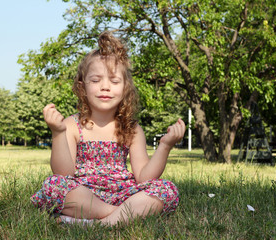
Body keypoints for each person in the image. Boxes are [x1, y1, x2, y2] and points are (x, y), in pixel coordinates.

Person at [31, 31, 186, 226]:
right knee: (54, 185)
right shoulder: (71, 125)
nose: (105, 87)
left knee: (166, 189)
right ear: (82, 87)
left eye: (114, 81)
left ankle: (96, 223)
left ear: (125, 88)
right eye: (96, 80)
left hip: (123, 193)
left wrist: (165, 146)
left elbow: (144, 177)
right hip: (84, 193)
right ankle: (122, 216)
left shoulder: (131, 128)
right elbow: (63, 174)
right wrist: (58, 133)